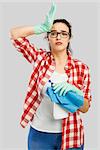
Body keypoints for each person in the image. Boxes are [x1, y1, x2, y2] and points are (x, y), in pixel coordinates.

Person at [10, 2, 92, 150]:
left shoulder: (82, 68)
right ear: (48, 37)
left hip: (71, 134)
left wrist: (74, 93)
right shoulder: (40, 58)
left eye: (63, 33)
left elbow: (85, 107)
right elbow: (15, 35)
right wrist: (39, 28)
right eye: (53, 33)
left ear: (69, 38)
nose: (58, 36)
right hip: (40, 134)